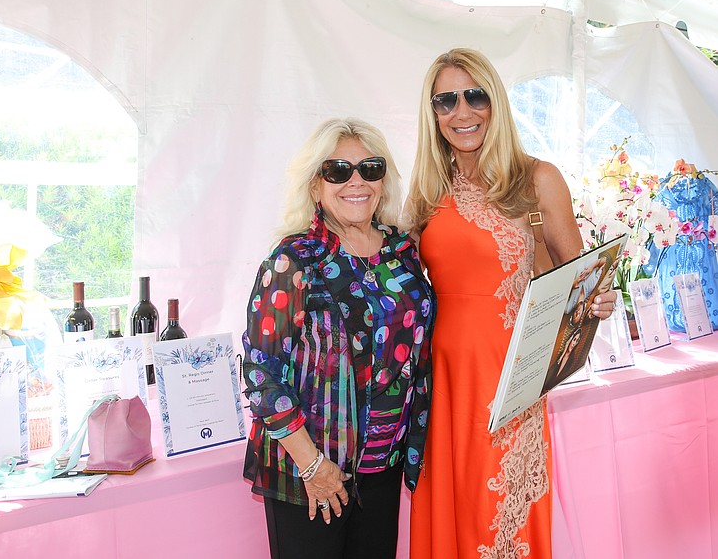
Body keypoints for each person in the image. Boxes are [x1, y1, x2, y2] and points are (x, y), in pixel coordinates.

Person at [404, 48, 617, 558]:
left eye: (475, 96)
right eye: (446, 100)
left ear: (495, 102)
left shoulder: (537, 179)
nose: (463, 112)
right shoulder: (426, 190)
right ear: (432, 114)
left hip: (510, 384)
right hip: (444, 384)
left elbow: (579, 278)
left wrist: (598, 299)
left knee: (499, 524)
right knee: (451, 513)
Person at [242, 118, 436, 559]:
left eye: (370, 168)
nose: (357, 181)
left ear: (383, 180)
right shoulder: (293, 261)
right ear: (315, 186)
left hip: (383, 466)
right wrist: (314, 467)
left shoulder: (402, 251)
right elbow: (260, 374)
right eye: (337, 170)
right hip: (311, 470)